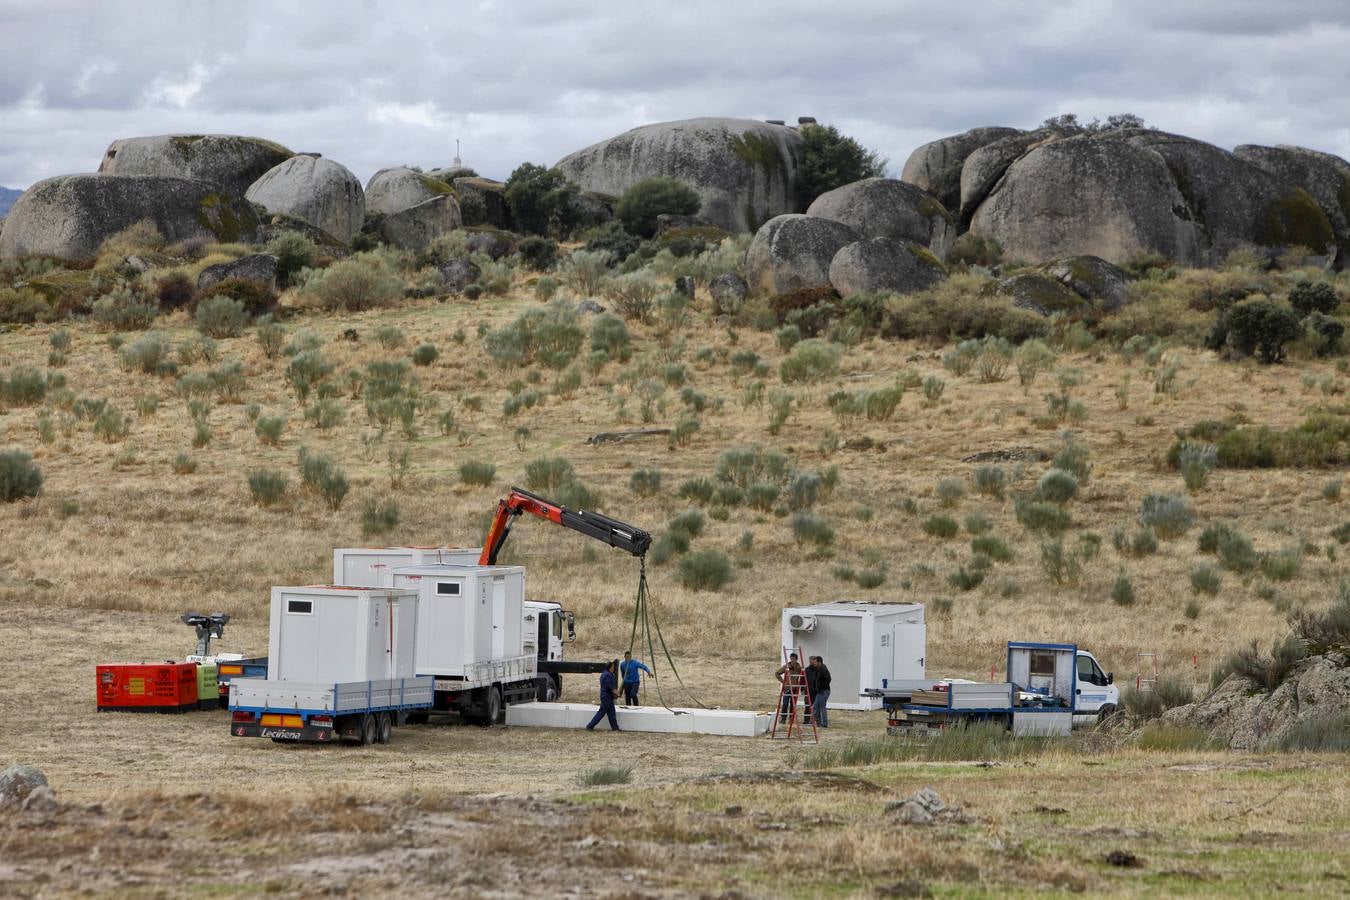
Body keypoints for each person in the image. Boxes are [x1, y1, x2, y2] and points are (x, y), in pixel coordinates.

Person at [585, 660, 621, 731]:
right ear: (610, 667)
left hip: (606, 696)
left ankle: (615, 728)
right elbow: (611, 687)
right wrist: (617, 693)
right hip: (607, 697)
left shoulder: (604, 674)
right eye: (613, 667)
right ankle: (590, 726)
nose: (614, 668)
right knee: (601, 713)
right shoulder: (609, 675)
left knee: (612, 713)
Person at [775, 653, 805, 724]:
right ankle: (783, 718)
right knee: (785, 704)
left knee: (793, 704)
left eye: (794, 659)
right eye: (791, 659)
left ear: (796, 659)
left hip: (795, 689)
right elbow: (777, 673)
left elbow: (803, 677)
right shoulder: (787, 666)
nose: (792, 660)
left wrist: (802, 688)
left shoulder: (799, 667)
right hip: (787, 688)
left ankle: (791, 719)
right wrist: (783, 682)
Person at [811, 656, 832, 728]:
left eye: (815, 662)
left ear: (819, 662)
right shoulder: (818, 669)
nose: (814, 663)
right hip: (820, 692)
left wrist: (821, 687)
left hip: (824, 691)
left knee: (822, 707)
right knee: (815, 707)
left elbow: (828, 679)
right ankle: (816, 722)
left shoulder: (823, 669)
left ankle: (824, 723)